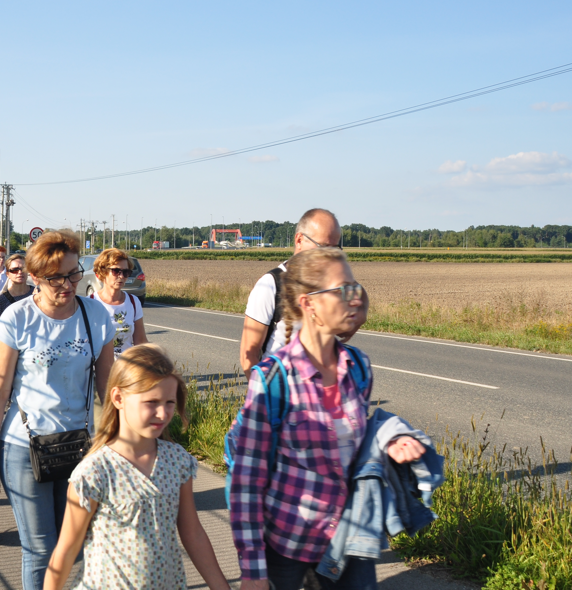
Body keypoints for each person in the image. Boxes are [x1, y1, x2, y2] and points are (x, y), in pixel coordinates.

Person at [230, 247, 419, 590]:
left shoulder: (357, 366)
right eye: (343, 289)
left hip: (350, 539)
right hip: (287, 544)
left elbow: (356, 444)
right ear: (309, 303)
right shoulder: (273, 378)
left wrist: (390, 439)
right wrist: (253, 571)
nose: (355, 298)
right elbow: (247, 482)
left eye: (355, 287)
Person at [0, 230, 116, 590]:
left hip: (79, 446)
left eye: (73, 274)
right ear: (35, 277)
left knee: (74, 546)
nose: (67, 285)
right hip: (25, 448)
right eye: (56, 278)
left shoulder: (95, 315)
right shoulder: (17, 318)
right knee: (40, 550)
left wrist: (122, 443)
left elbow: (108, 387)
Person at [44, 345, 230, 590]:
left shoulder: (178, 461)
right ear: (118, 398)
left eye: (169, 402)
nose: (162, 413)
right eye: (151, 402)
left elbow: (192, 532)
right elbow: (66, 550)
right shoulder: (95, 472)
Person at [240, 208, 358, 373]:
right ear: (299, 240)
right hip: (280, 385)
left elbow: (358, 293)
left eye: (335, 249)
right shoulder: (270, 285)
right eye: (323, 247)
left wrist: (359, 313)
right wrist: (262, 388)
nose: (329, 257)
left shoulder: (332, 284)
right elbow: (248, 355)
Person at [88, 248, 147, 358]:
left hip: (126, 366)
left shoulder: (133, 302)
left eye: (126, 272)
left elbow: (141, 342)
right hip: (98, 367)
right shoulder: (89, 303)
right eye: (116, 271)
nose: (121, 276)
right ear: (102, 272)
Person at [0, 252, 33, 324]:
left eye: (23, 269)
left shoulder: (39, 294)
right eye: (15, 270)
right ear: (7, 274)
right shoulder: (0, 301)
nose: (20, 272)